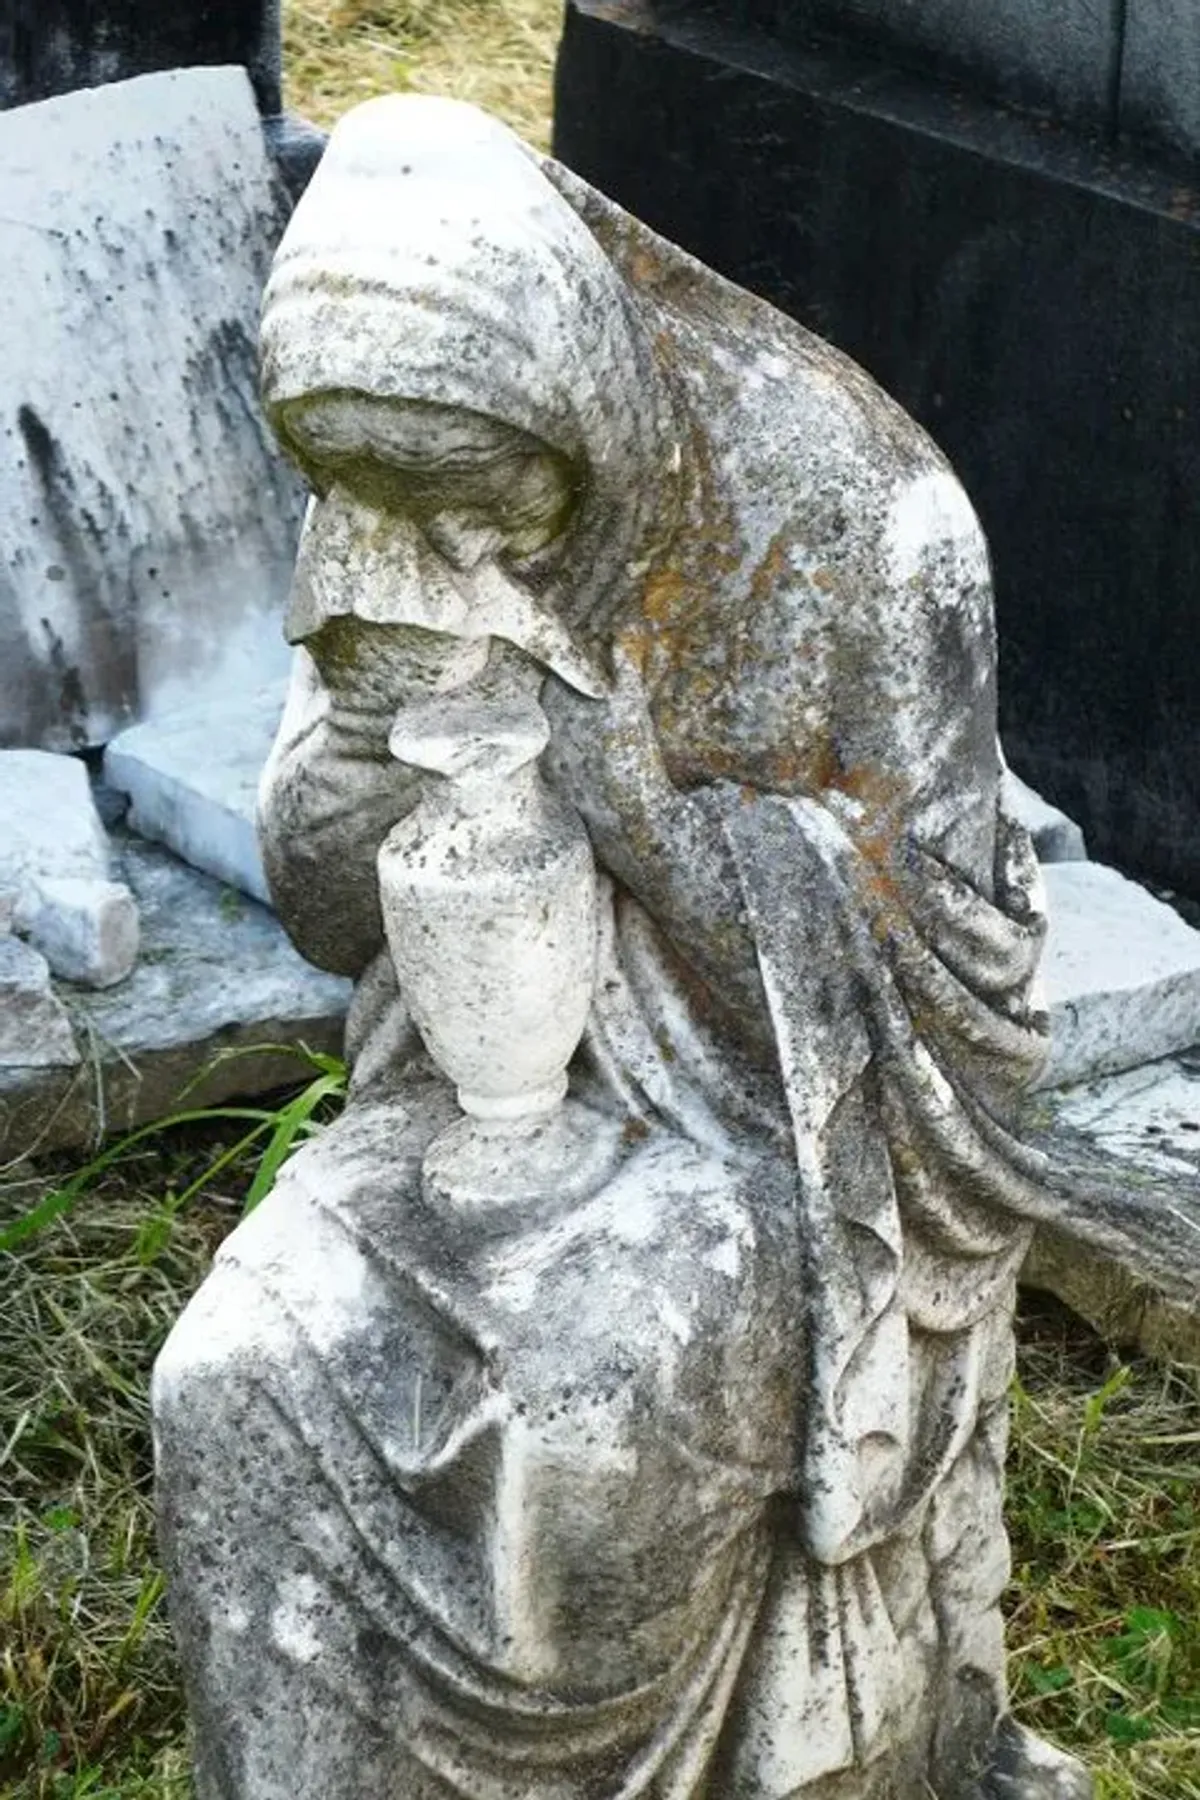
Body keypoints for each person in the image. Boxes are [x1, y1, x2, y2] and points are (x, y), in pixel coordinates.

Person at [153, 96, 1090, 1799]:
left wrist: (626, 795)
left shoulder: (860, 517)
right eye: (378, 501)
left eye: (482, 501)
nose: (441, 548)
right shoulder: (388, 485)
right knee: (228, 1381)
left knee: (579, 1408)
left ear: (573, 401)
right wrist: (363, 752)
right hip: (456, 1120)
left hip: (776, 1154)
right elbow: (322, 908)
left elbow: (970, 998)